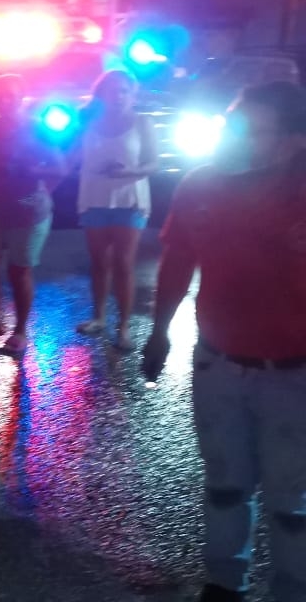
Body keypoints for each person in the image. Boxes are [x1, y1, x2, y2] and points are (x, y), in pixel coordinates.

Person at [143, 81, 306, 602]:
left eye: (254, 131)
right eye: (233, 126)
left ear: (293, 141)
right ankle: (223, 584)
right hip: (217, 365)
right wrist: (158, 333)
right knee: (224, 483)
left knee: (292, 502)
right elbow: (177, 262)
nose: (236, 139)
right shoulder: (201, 184)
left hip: (294, 373)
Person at [0, 74, 66, 356]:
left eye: (12, 95)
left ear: (22, 98)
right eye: (1, 95)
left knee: (19, 271)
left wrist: (38, 183)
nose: (6, 100)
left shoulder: (38, 129)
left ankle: (20, 331)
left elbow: (59, 168)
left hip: (29, 212)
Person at [73, 69, 159, 350]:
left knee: (123, 263)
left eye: (124, 91)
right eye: (112, 90)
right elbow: (70, 156)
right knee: (99, 262)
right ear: (101, 94)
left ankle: (123, 327)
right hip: (94, 199)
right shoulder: (88, 122)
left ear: (133, 94)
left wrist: (130, 171)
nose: (118, 96)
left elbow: (153, 163)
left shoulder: (142, 122)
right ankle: (98, 317)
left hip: (129, 201)